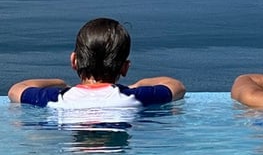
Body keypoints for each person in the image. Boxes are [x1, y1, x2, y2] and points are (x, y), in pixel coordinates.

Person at [8, 17, 186, 110]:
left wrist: (59, 83)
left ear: (74, 61)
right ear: (124, 67)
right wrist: (138, 85)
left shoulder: (56, 99)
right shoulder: (136, 97)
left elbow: (16, 90)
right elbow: (176, 87)